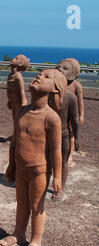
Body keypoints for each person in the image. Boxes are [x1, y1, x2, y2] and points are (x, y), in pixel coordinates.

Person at [0, 69, 66, 246]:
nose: (38, 76)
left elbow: (56, 151)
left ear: (54, 90)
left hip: (39, 171)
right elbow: (15, 141)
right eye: (39, 74)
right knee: (22, 202)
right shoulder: (22, 111)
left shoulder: (51, 118)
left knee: (36, 206)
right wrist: (11, 165)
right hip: (20, 168)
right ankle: (19, 233)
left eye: (46, 77)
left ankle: (36, 241)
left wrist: (58, 177)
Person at [49, 68, 80, 200]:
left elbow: (75, 119)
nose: (60, 69)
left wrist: (77, 137)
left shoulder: (70, 96)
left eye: (64, 68)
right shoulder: (46, 94)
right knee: (46, 160)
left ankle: (60, 188)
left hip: (63, 135)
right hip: (47, 134)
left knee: (64, 161)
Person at [56, 58, 84, 167]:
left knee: (71, 136)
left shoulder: (76, 85)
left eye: (65, 68)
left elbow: (80, 102)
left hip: (72, 115)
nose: (60, 69)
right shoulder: (55, 83)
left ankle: (70, 155)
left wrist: (81, 115)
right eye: (58, 67)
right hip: (59, 115)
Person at [6, 54, 30, 139]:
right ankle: (15, 134)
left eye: (16, 58)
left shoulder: (18, 77)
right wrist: (9, 100)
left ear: (20, 64)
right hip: (13, 101)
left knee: (19, 119)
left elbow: (22, 91)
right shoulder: (10, 75)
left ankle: (20, 136)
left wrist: (23, 103)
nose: (13, 58)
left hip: (18, 102)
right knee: (14, 118)